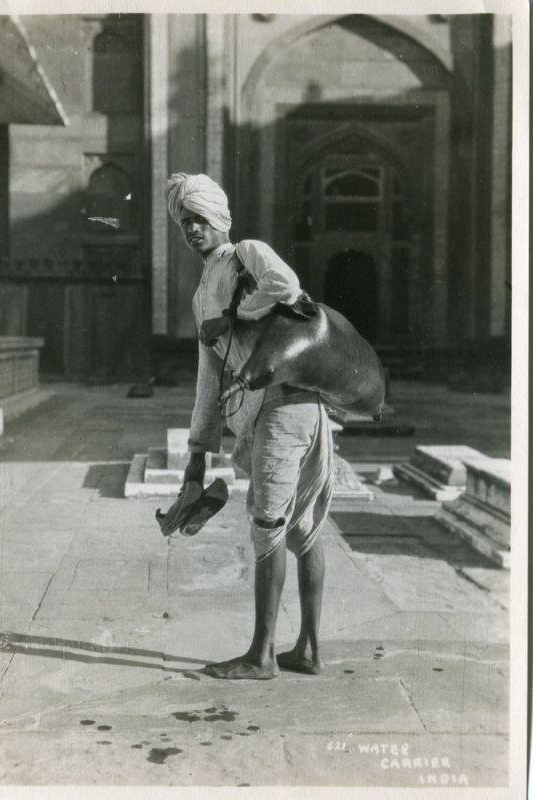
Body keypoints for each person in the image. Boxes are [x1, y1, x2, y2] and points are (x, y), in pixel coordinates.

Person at [166, 172, 334, 680]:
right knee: (301, 527)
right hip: (267, 415)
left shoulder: (247, 253)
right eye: (185, 221)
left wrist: (234, 317)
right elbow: (208, 378)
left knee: (269, 528)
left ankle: (261, 657)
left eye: (200, 218)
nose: (193, 228)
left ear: (220, 217)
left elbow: (287, 288)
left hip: (288, 406)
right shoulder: (201, 294)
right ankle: (306, 650)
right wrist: (198, 454)